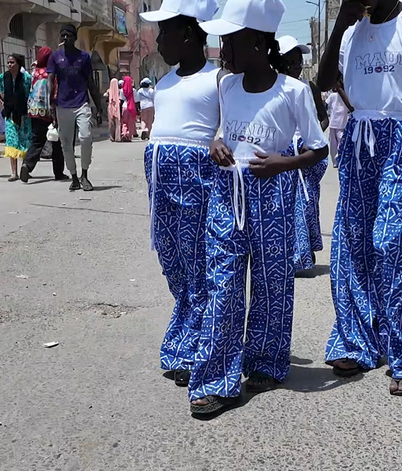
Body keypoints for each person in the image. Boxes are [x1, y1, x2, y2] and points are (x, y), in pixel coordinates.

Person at [194, 0, 329, 415]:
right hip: (228, 193)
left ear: (256, 43)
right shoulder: (226, 86)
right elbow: (222, 132)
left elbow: (318, 148)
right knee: (223, 283)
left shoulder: (293, 91)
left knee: (272, 285)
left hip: (273, 193)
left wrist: (282, 163)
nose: (222, 49)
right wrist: (216, 142)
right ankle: (217, 377)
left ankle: (266, 363)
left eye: (229, 41)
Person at [317, 0, 402, 396]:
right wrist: (340, 23)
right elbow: (325, 82)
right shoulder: (352, 29)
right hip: (360, 138)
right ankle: (356, 341)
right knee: (350, 243)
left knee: (389, 243)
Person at [139, 0, 221, 392]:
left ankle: (197, 346)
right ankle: (187, 334)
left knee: (198, 263)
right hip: (163, 186)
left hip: (197, 185)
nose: (158, 40)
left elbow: (229, 129)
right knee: (173, 262)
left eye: (164, 32)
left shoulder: (216, 79)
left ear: (187, 35)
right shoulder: (166, 81)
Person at [277, 35, 329, 273]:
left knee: (307, 205)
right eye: (290, 62)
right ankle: (293, 256)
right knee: (289, 206)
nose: (296, 67)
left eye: (298, 62)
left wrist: (312, 140)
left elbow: (323, 117)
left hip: (307, 157)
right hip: (283, 156)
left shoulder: (309, 88)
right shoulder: (273, 87)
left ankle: (304, 251)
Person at [48, 23, 103, 192]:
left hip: (81, 103)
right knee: (66, 143)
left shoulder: (84, 57)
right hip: (63, 105)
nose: (65, 38)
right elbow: (50, 80)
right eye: (62, 35)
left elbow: (91, 82)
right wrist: (51, 103)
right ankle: (73, 176)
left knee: (86, 137)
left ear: (75, 38)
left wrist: (99, 106)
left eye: (69, 35)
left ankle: (84, 175)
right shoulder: (55, 57)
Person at [20, 47, 67, 183]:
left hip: (34, 111)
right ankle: (59, 172)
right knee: (56, 142)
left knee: (36, 141)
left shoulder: (35, 73)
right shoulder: (52, 73)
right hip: (50, 111)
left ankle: (27, 165)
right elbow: (54, 93)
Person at [0, 54, 32, 182]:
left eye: (12, 62)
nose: (10, 65)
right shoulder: (4, 76)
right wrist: (1, 101)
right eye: (8, 62)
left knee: (24, 142)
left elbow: (31, 92)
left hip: (23, 115)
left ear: (18, 64)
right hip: (10, 114)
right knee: (11, 142)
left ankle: (24, 169)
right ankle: (13, 172)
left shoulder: (26, 78)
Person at [325, 73, 352, 168]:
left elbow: (326, 104)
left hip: (335, 122)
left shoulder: (333, 96)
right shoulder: (345, 95)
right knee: (339, 142)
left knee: (334, 143)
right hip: (341, 122)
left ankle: (336, 161)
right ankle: (339, 159)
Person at [119, 76, 137, 142]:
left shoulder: (122, 90)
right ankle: (129, 136)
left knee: (124, 122)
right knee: (131, 123)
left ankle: (124, 133)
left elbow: (121, 100)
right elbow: (136, 100)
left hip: (124, 107)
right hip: (132, 107)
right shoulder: (134, 90)